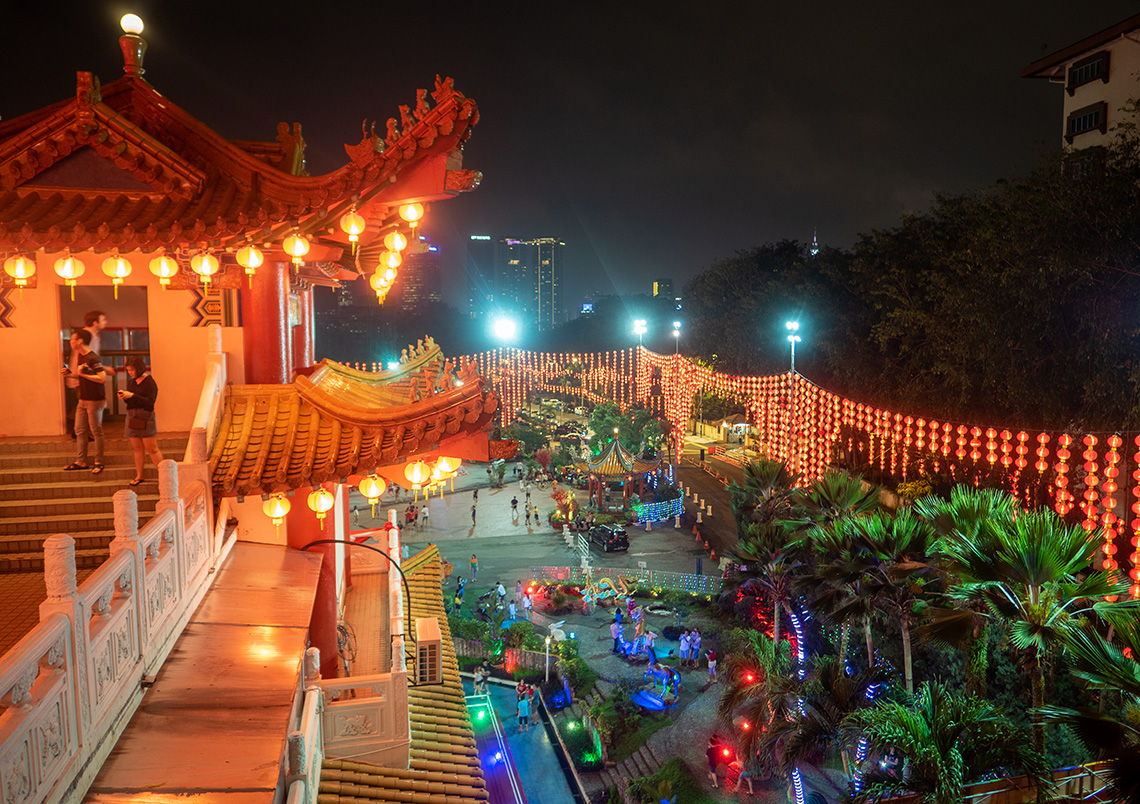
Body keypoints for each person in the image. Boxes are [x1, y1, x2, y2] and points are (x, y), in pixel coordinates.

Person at [63, 329, 107, 473]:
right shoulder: (81, 356)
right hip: (83, 399)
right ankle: (81, 461)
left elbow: (102, 378)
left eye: (73, 339)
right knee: (79, 430)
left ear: (80, 340)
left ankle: (99, 461)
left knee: (96, 431)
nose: (71, 342)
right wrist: (72, 375)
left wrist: (82, 374)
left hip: (95, 400)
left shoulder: (92, 357)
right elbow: (84, 376)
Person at [119, 357, 164, 485]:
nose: (130, 373)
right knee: (137, 448)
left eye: (132, 370)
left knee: (152, 448)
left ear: (138, 368)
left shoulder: (149, 382)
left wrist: (132, 395)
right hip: (132, 415)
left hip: (145, 415)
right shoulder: (132, 382)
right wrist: (125, 397)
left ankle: (164, 475)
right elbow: (132, 400)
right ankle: (140, 475)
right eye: (128, 370)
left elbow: (150, 402)